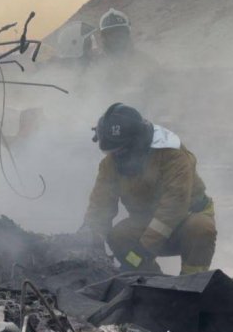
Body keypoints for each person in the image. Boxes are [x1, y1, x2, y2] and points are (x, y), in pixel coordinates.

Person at [82, 103, 217, 275]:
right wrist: (89, 235)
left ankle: (193, 282)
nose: (116, 156)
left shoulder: (171, 153)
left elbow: (173, 208)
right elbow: (100, 205)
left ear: (137, 143)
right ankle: (150, 280)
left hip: (185, 221)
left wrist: (144, 249)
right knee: (119, 237)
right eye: (112, 151)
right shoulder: (111, 162)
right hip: (148, 222)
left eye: (121, 150)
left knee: (201, 228)